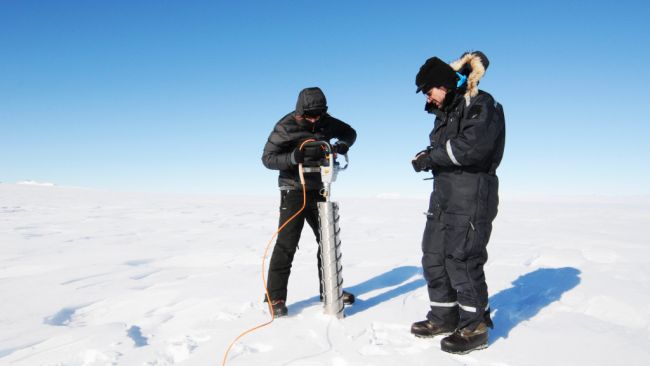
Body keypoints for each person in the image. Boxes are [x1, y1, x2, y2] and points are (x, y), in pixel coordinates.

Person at [409, 51, 505, 354]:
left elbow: (471, 148)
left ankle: (474, 326)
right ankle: (444, 315)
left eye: (429, 90)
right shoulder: (448, 112)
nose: (427, 97)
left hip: (472, 193)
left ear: (444, 84)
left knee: (462, 259)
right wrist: (427, 155)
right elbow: (446, 147)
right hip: (443, 194)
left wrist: (430, 158)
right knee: (433, 256)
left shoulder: (481, 103)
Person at [261, 87, 357, 317]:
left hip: (320, 188)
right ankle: (275, 297)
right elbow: (267, 158)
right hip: (293, 189)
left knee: (327, 241)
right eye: (310, 116)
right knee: (287, 244)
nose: (314, 120)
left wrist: (343, 145)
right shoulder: (285, 126)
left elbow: (350, 133)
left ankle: (330, 291)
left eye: (318, 115)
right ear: (300, 112)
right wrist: (292, 158)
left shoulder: (327, 122)